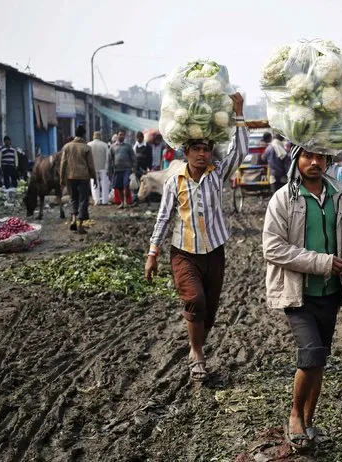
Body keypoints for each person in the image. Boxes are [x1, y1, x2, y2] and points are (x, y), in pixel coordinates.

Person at [262, 145, 342, 450]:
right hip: (298, 293)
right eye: (308, 155)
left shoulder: (339, 197)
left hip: (330, 292)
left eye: (321, 157)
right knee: (310, 354)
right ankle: (295, 416)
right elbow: (272, 247)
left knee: (319, 358)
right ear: (297, 159)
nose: (315, 162)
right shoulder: (284, 198)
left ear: (328, 161)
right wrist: (321, 262)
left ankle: (309, 423)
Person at [144, 93, 247, 382]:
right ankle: (196, 352)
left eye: (206, 149)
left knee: (210, 310)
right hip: (184, 252)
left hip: (214, 252)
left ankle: (198, 341)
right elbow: (164, 217)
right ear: (186, 152)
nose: (202, 154)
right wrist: (152, 254)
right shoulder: (174, 181)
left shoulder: (218, 174)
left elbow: (239, 152)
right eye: (196, 149)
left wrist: (238, 113)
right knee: (195, 300)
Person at [60, 125, 96, 235]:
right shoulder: (86, 147)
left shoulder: (67, 147)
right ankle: (80, 225)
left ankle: (73, 219)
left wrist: (62, 178)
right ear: (84, 134)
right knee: (83, 200)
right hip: (83, 177)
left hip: (70, 177)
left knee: (73, 199)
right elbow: (91, 165)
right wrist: (95, 178)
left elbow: (63, 164)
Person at [109, 130, 135, 209]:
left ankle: (127, 201)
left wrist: (134, 167)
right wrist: (109, 169)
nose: (122, 136)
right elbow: (110, 159)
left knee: (126, 185)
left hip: (127, 169)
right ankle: (122, 203)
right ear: (117, 136)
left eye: (123, 135)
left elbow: (133, 157)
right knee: (119, 187)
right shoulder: (112, 147)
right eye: (120, 135)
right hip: (117, 169)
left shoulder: (128, 146)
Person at [88, 131, 110, 205]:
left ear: (93, 136)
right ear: (100, 136)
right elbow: (107, 157)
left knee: (94, 184)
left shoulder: (89, 145)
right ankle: (105, 200)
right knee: (104, 184)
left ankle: (96, 200)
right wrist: (106, 167)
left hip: (93, 167)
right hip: (103, 167)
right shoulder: (105, 145)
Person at [133, 131, 153, 205]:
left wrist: (149, 168)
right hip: (137, 168)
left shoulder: (147, 146)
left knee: (146, 184)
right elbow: (134, 157)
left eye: (139, 138)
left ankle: (148, 200)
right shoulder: (135, 146)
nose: (138, 139)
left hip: (144, 168)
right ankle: (136, 200)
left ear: (142, 137)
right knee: (136, 184)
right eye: (137, 138)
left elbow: (150, 158)